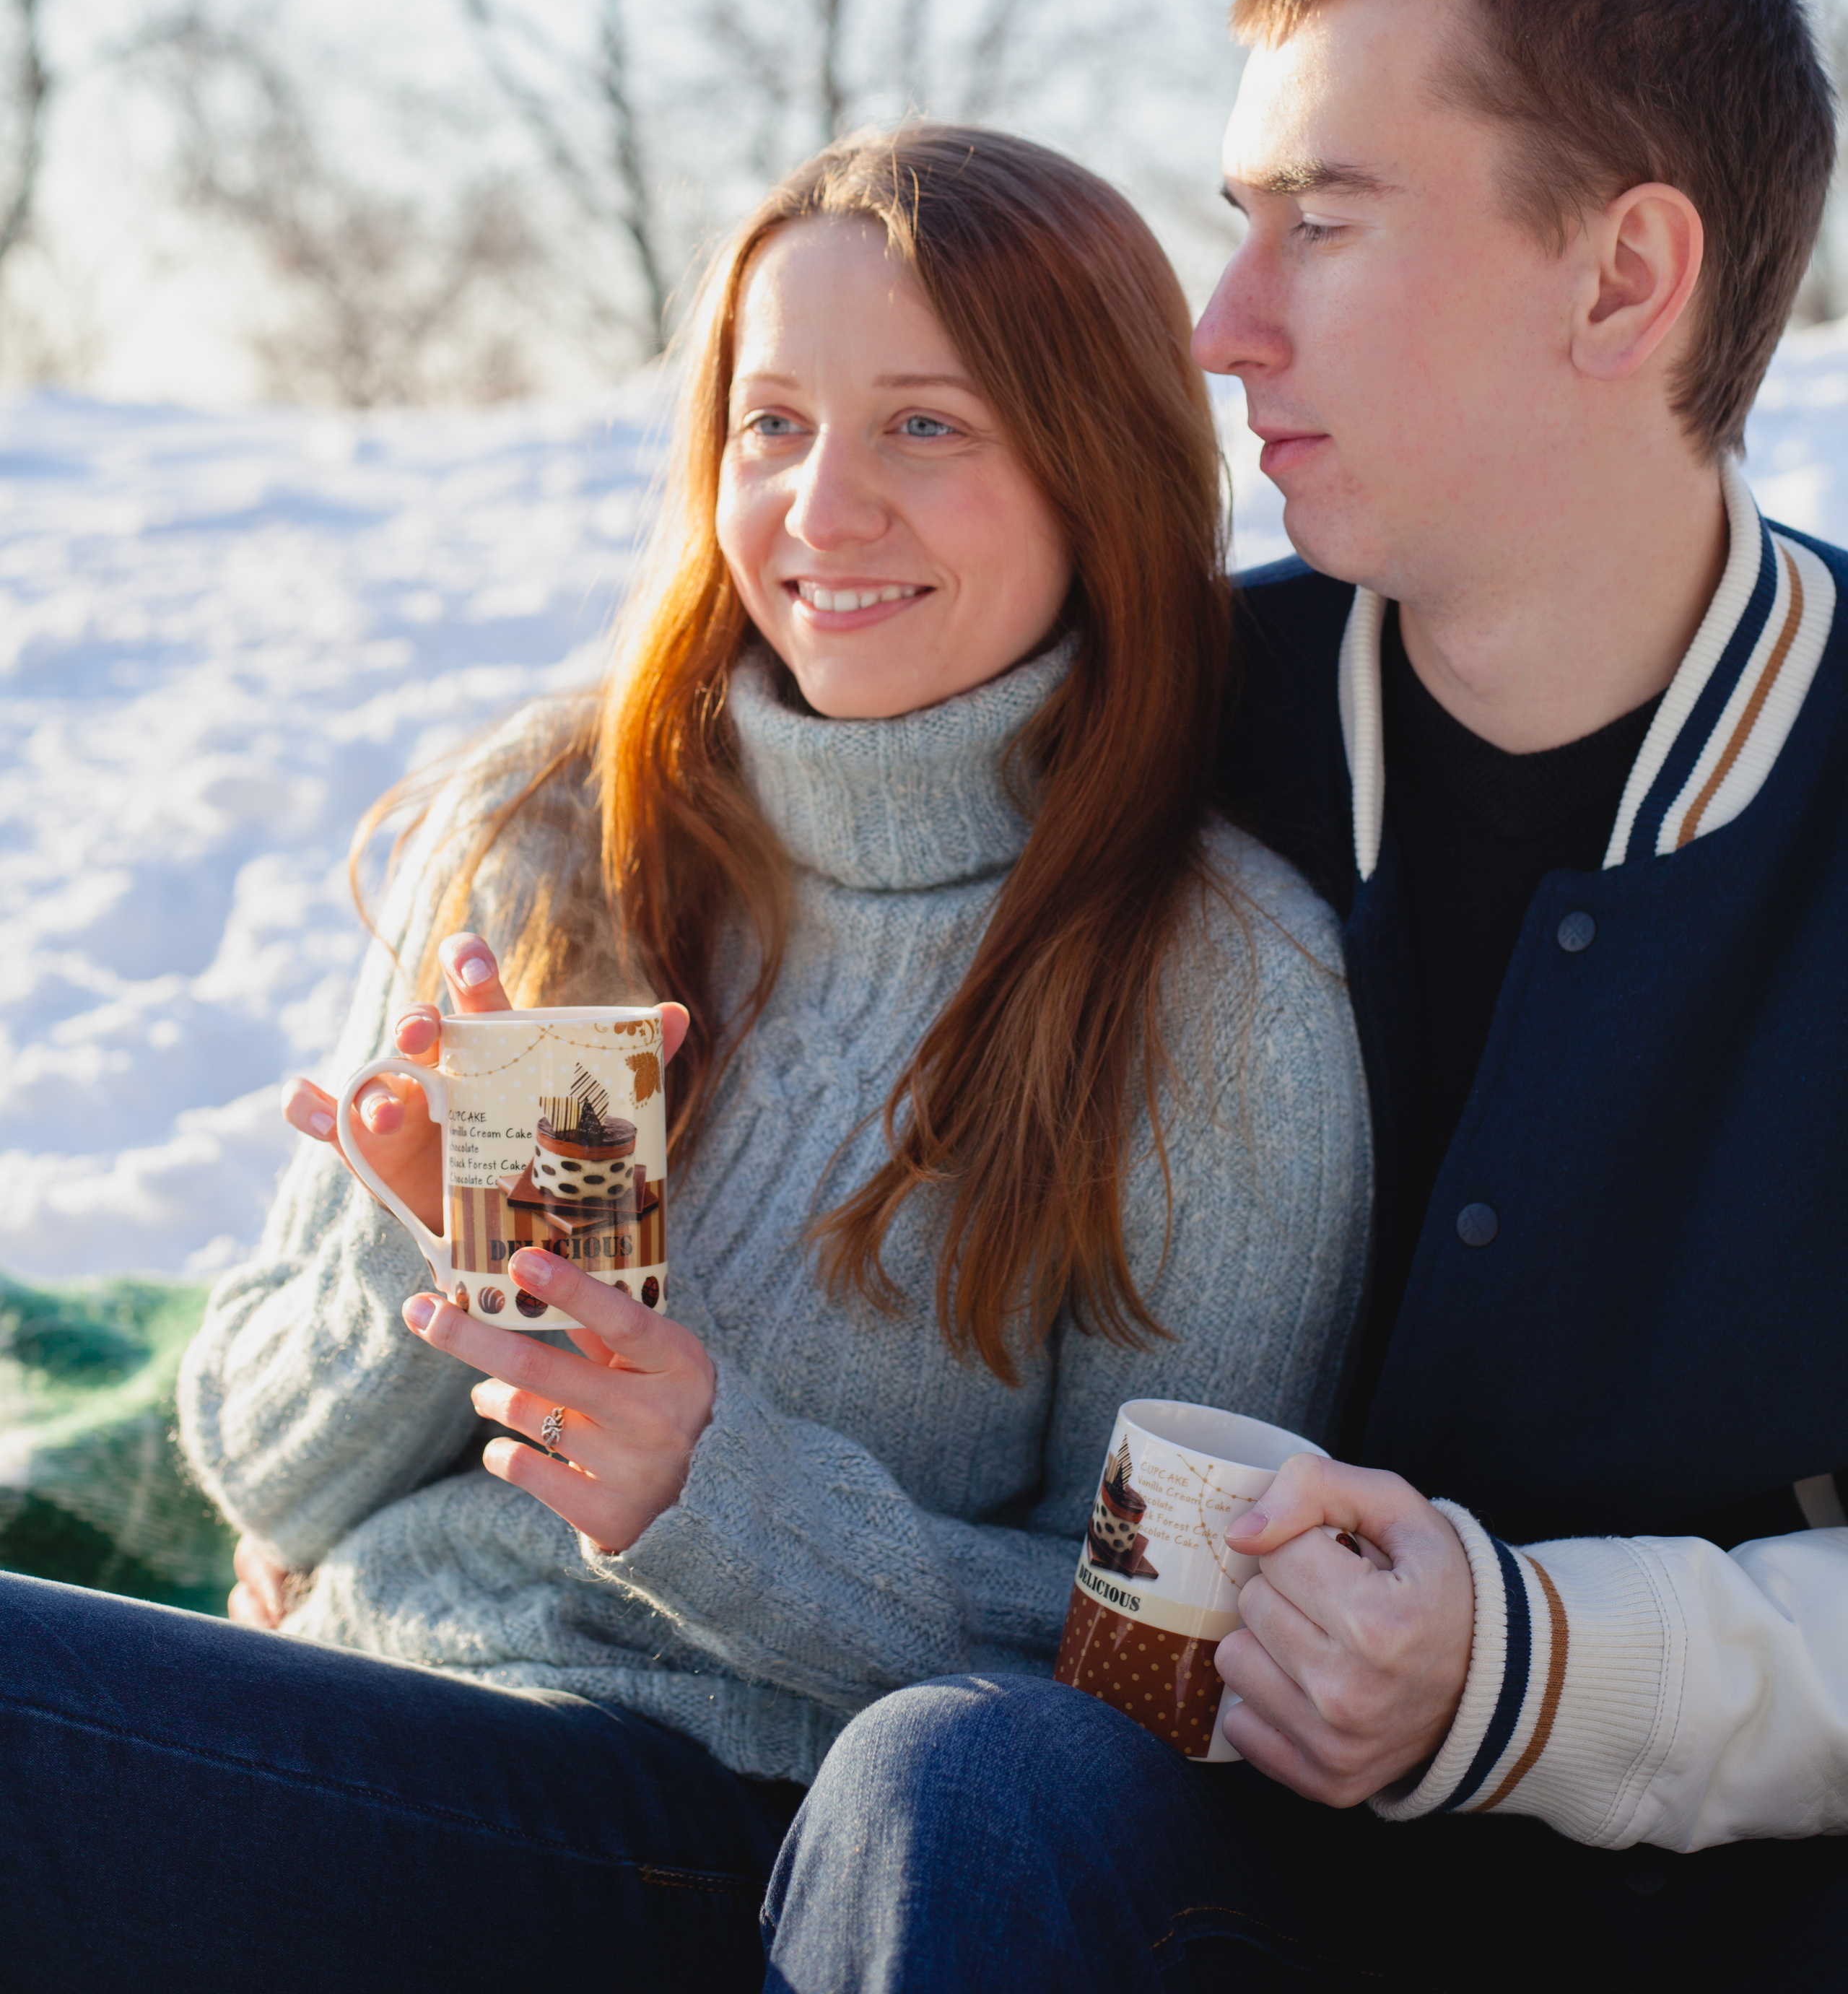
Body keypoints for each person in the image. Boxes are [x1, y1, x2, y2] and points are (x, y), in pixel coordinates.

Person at [0, 126, 1371, 1992]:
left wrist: (711, 1488)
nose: (823, 508)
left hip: (774, 1837)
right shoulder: (570, 834)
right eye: (773, 423)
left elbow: (1164, 1663)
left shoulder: (1211, 981)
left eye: (926, 427)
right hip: (393, 1740)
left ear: (1097, 465)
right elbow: (267, 1476)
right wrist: (458, 1245)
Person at [760, 0, 1848, 1989]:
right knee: (954, 1790)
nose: (1218, 319)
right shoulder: (1154, 714)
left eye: (1321, 222)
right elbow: (781, 736)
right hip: (1199, 1883)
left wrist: (1520, 1665)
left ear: (1624, 279)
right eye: (1238, 214)